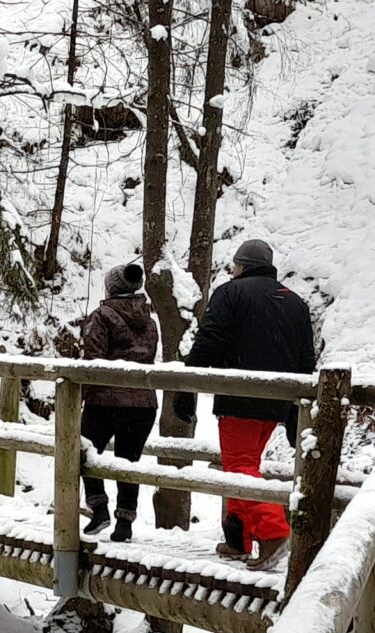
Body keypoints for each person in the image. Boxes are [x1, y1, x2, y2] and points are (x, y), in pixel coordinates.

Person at [174, 236, 316, 568]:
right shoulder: (295, 302)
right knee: (244, 464)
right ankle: (238, 539)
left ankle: (272, 532)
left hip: (240, 396)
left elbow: (210, 340)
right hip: (276, 401)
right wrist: (296, 407)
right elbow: (306, 360)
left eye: (235, 265)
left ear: (242, 266)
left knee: (238, 468)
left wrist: (186, 387)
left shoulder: (231, 293)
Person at [76, 261, 158, 543]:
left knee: (81, 450)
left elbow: (93, 360)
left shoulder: (102, 316)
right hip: (143, 403)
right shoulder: (149, 319)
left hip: (106, 400)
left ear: (111, 287)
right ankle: (125, 523)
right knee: (129, 461)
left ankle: (99, 509)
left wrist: (80, 395)